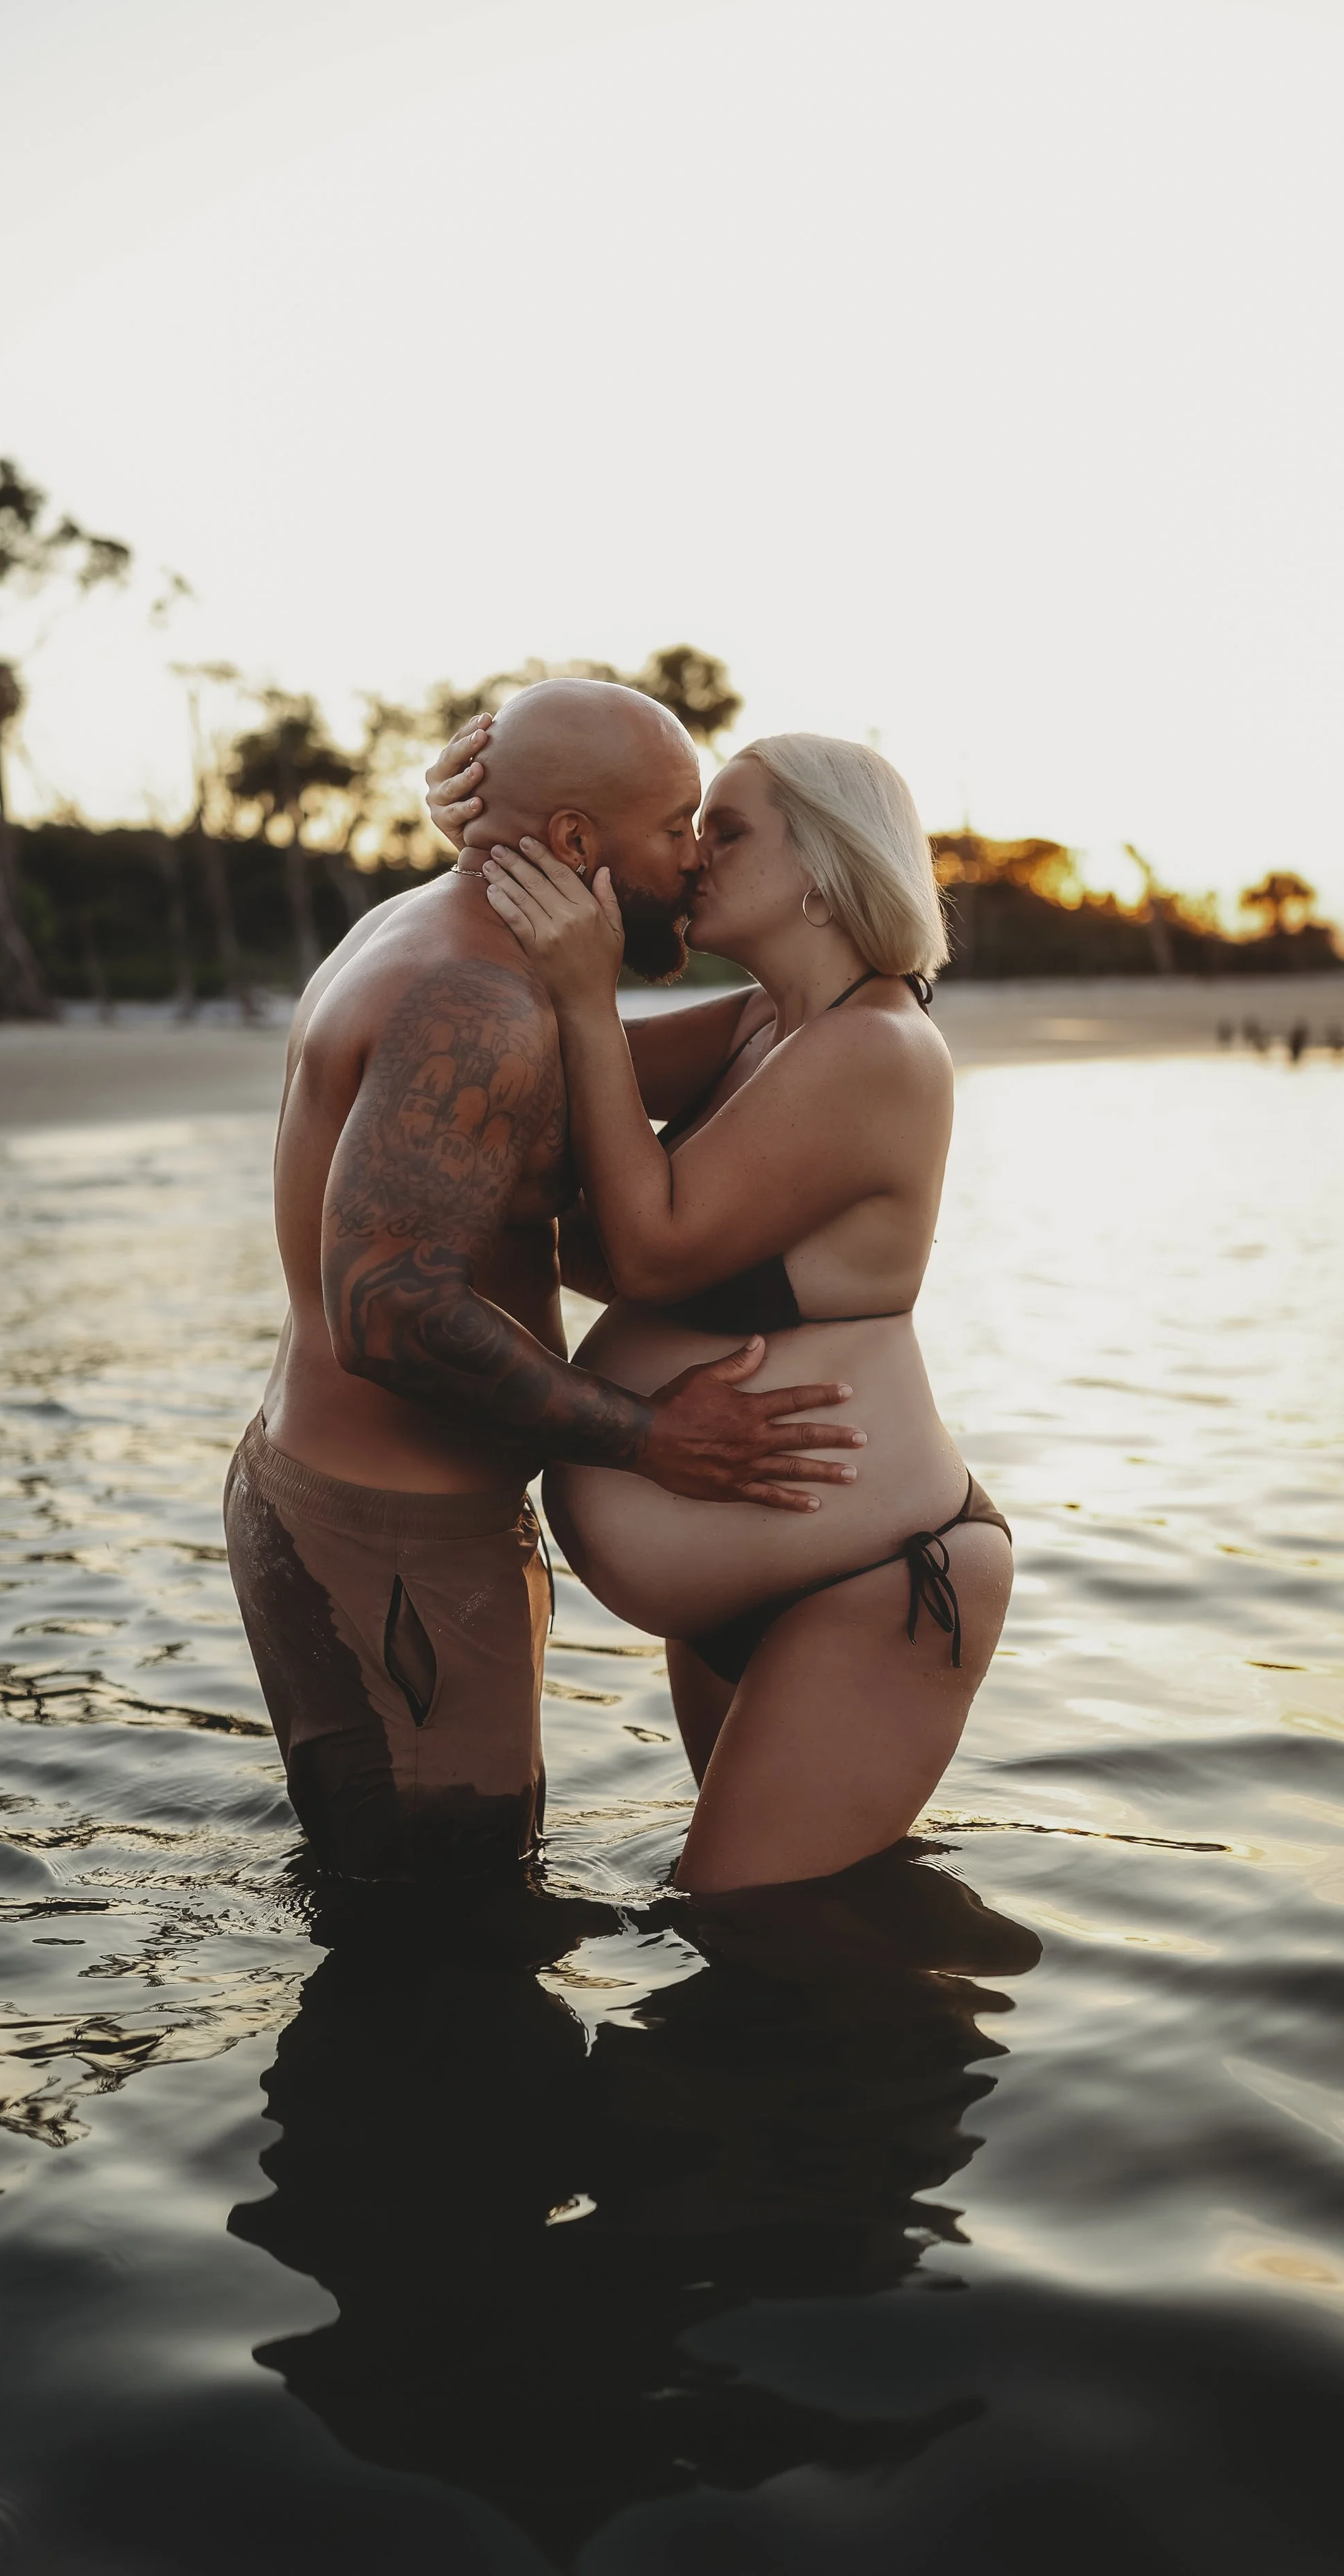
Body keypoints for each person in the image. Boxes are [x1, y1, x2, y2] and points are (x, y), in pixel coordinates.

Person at [223, 680, 866, 1884]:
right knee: (443, 1927)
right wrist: (649, 1437)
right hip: (388, 1541)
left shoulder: (451, 938)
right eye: (678, 825)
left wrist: (870, 962)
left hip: (387, 1520)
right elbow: (387, 1306)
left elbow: (751, 1042)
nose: (691, 860)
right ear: (575, 844)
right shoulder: (477, 1001)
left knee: (434, 1898)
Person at [432, 725, 1013, 1893]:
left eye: (728, 827)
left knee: (764, 1941)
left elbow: (647, 1247)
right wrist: (497, 845)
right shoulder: (766, 1024)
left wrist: (591, 994)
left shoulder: (881, 1051)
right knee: (773, 1942)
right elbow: (533, 1077)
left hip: (875, 1583)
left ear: (824, 864)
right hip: (752, 1576)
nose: (694, 854)